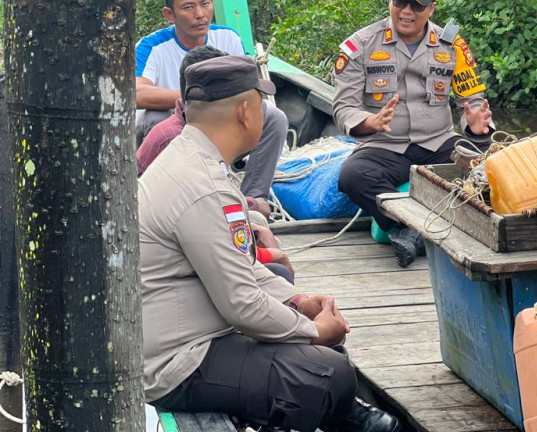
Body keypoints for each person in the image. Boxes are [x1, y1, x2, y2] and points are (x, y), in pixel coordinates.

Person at [139, 55, 399, 432]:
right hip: (176, 362)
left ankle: (336, 412)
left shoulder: (193, 158)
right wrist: (313, 332)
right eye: (261, 104)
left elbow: (242, 267)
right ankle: (328, 411)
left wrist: (297, 303)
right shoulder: (202, 186)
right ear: (245, 111)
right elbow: (241, 303)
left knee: (308, 334)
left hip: (191, 328)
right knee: (331, 371)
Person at [333, 0, 493, 267]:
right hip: (384, 146)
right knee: (352, 176)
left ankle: (415, 233)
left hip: (438, 143)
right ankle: (407, 228)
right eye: (399, 2)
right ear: (390, 0)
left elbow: (472, 100)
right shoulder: (361, 45)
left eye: (416, 5)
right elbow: (343, 107)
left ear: (431, 8)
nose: (406, 12)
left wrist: (475, 126)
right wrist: (369, 122)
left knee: (489, 168)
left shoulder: (452, 46)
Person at [137, 44, 293, 281]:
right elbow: (235, 292)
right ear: (243, 112)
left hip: (182, 239)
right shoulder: (178, 143)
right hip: (169, 259)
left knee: (258, 225)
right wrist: (268, 256)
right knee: (278, 272)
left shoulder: (192, 138)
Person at [135, 0, 288, 202]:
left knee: (274, 117)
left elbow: (248, 88)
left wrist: (216, 103)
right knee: (155, 119)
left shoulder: (229, 38)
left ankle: (253, 200)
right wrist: (198, 97)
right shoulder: (152, 46)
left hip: (221, 119)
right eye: (188, 7)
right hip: (179, 122)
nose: (200, 14)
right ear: (169, 14)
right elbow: (137, 93)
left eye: (205, 3)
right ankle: (176, 198)